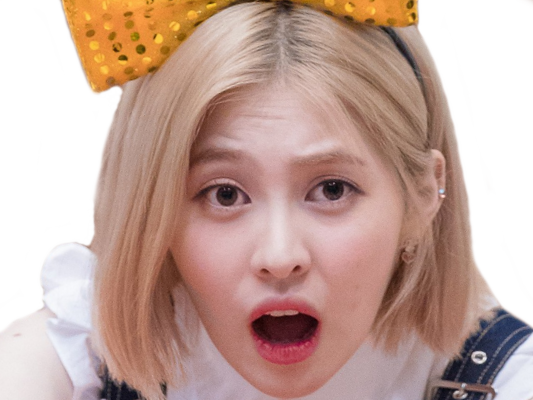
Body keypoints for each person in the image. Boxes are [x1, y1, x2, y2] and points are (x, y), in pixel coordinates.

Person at [0, 1, 532, 399]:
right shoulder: (76, 357)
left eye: (331, 190)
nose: (280, 257)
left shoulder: (507, 378)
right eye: (225, 194)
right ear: (154, 209)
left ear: (422, 197)